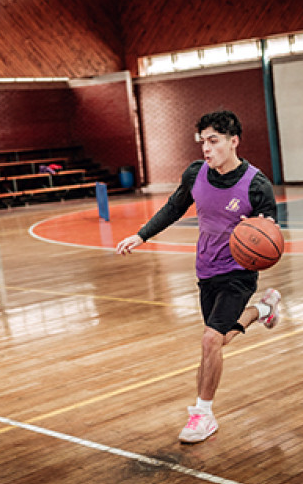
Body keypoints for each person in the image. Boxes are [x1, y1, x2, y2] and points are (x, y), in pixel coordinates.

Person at [115, 110, 282, 444]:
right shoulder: (196, 174)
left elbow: (270, 239)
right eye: (203, 141)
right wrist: (142, 235)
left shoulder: (257, 185)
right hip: (206, 270)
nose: (206, 148)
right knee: (218, 340)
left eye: (214, 141)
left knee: (209, 340)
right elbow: (174, 207)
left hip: (239, 273)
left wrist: (253, 247)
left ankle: (202, 414)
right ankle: (263, 311)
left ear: (234, 141)